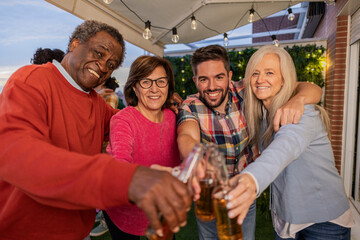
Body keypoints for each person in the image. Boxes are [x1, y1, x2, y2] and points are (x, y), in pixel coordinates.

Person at [0, 20, 193, 240]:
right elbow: (18, 156)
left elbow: (132, 122)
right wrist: (127, 179)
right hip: (26, 231)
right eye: (99, 54)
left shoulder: (95, 102)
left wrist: (160, 103)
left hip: (79, 230)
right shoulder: (31, 80)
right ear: (74, 43)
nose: (103, 67)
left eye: (111, 65)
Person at [176, 44, 322, 240]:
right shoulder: (190, 105)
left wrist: (299, 99)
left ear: (229, 76)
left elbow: (309, 88)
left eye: (219, 77)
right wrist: (196, 158)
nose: (212, 86)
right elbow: (186, 137)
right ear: (195, 81)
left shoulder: (247, 89)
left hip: (244, 191)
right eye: (204, 79)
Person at [227, 45, 354, 239]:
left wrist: (250, 179)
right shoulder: (260, 111)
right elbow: (215, 89)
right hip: (285, 218)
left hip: (324, 220)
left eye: (270, 73)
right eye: (255, 73)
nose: (260, 80)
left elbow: (283, 149)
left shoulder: (303, 113)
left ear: (284, 79)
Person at [102, 55, 181, 239]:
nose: (155, 89)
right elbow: (120, 164)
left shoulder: (173, 116)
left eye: (161, 81)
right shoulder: (123, 120)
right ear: (135, 87)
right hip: (125, 209)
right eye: (146, 82)